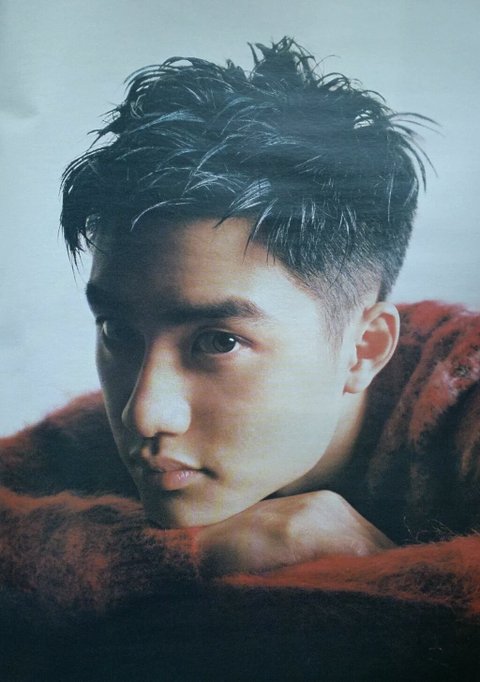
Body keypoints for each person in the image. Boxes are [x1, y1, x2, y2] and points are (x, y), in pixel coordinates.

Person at [1, 38, 480, 679]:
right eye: (117, 329)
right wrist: (191, 554)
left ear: (364, 348)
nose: (145, 413)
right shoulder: (119, 432)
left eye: (218, 341)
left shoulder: (463, 399)